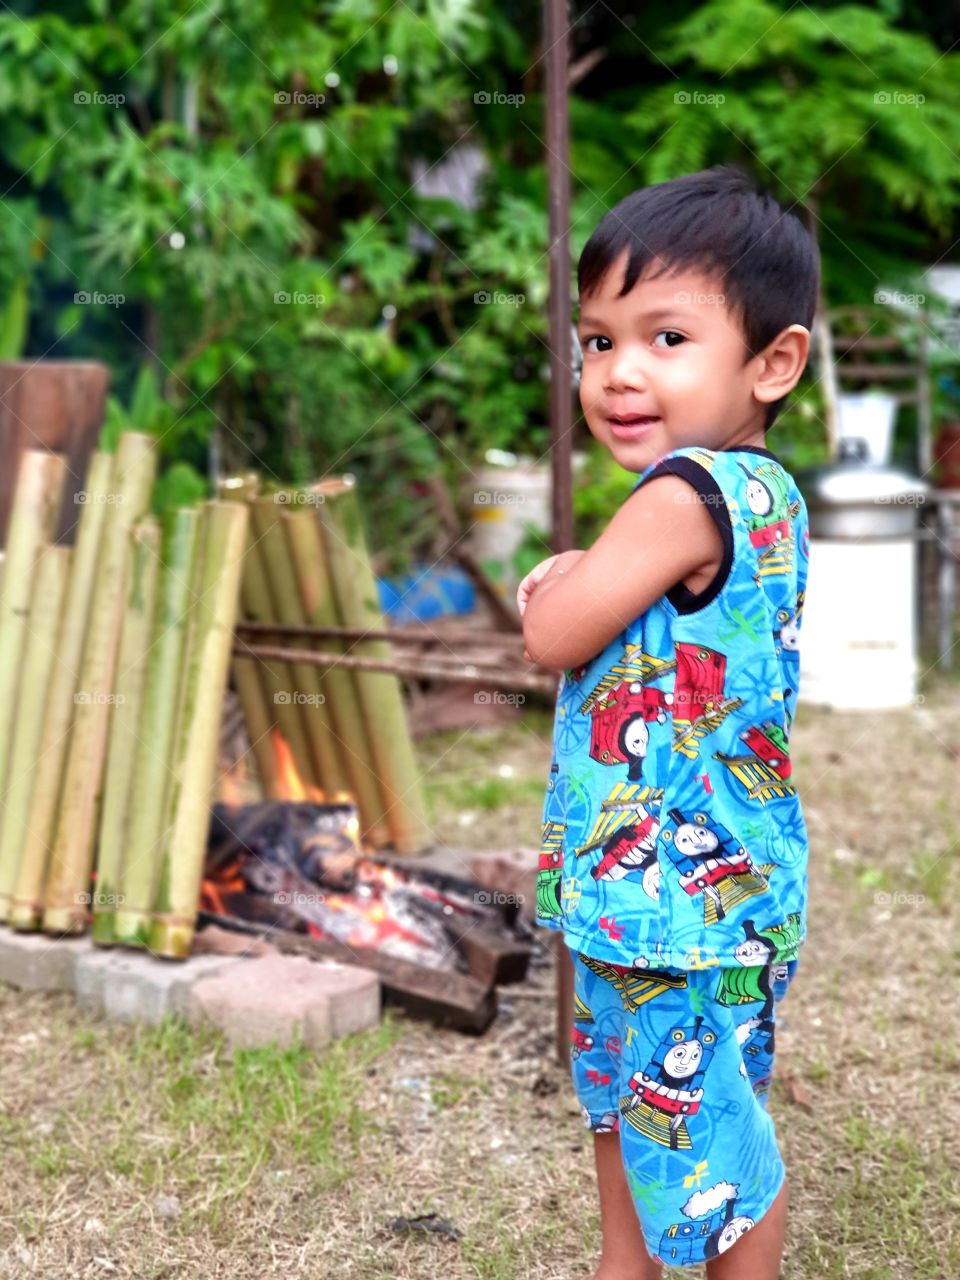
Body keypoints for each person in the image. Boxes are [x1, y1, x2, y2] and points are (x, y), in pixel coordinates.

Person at [518, 164, 818, 1280]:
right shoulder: (762, 492)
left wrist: (551, 588)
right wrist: (589, 579)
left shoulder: (681, 493)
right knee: (637, 1108)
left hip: (672, 911)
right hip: (696, 896)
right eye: (598, 341)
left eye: (666, 337)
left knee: (719, 1162)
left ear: (772, 361)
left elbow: (555, 633)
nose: (618, 371)